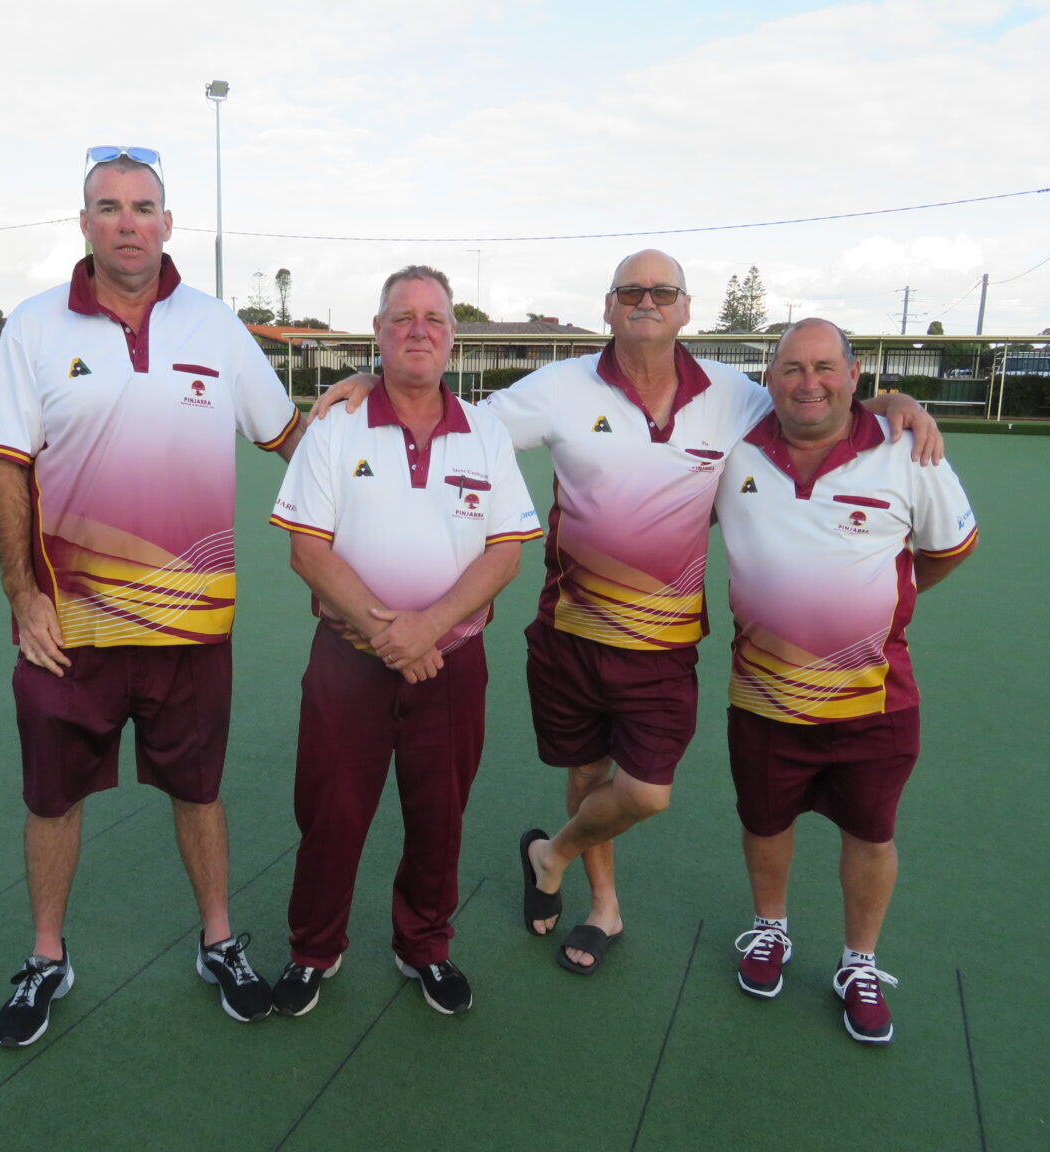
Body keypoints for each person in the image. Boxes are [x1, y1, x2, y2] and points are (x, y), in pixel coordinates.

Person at [315, 251, 941, 975]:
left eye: (663, 291)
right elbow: (462, 422)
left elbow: (823, 401)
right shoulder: (560, 386)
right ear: (608, 307)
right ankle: (601, 905)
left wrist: (898, 405)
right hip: (570, 632)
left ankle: (551, 853)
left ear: (685, 309)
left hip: (666, 642)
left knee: (646, 790)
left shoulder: (740, 395)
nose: (647, 301)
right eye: (631, 291)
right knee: (586, 772)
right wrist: (376, 378)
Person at [0, 146, 306, 1046]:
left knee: (197, 790)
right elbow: (7, 472)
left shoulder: (218, 327)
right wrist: (22, 591)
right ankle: (47, 955)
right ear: (83, 223)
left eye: (144, 207)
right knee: (53, 798)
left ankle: (218, 941)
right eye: (109, 206)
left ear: (168, 224)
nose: (128, 221)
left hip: (190, 628)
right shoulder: (34, 328)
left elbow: (289, 439)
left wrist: (369, 410)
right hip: (66, 627)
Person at [268, 266, 541, 1016]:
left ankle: (424, 944)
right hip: (346, 665)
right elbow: (308, 551)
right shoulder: (335, 425)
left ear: (452, 337)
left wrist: (425, 630)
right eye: (402, 318)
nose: (418, 330)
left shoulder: (484, 432)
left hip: (451, 666)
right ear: (379, 334)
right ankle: (312, 949)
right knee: (330, 813)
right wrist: (392, 635)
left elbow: (506, 552)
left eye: (434, 319)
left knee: (439, 816)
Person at [716, 318, 977, 1045]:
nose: (809, 382)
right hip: (762, 692)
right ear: (769, 377)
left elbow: (949, 547)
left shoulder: (906, 451)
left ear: (855, 375)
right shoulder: (733, 444)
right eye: (792, 367)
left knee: (871, 832)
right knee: (764, 821)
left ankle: (858, 962)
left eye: (825, 367)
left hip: (875, 697)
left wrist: (896, 596)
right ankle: (770, 929)